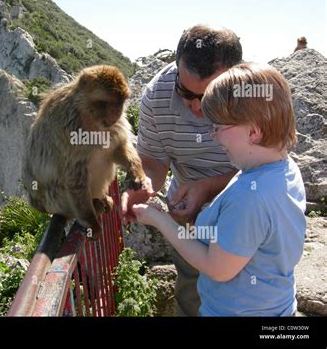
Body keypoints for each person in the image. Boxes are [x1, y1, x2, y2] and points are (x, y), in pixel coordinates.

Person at [131, 62, 306, 316]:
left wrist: (159, 220)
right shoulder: (283, 170)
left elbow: (217, 267)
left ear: (254, 132)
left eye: (219, 128)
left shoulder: (251, 196)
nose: (214, 136)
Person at [121, 24, 242, 316]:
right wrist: (143, 186)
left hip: (243, 209)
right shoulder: (157, 95)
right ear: (176, 67)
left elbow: (269, 170)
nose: (196, 107)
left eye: (211, 95)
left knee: (243, 297)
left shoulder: (252, 96)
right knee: (192, 295)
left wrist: (209, 187)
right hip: (187, 213)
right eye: (185, 92)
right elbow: (152, 161)